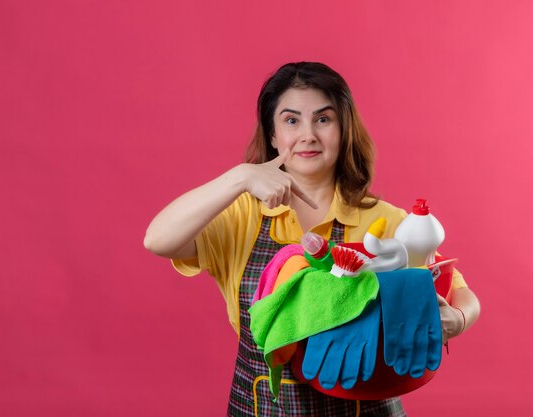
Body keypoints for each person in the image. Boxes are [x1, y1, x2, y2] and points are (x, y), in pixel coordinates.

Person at [144, 61, 480, 416]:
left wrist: (457, 319)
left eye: (323, 119)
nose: (308, 135)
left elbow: (460, 291)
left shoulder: (386, 220)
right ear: (273, 135)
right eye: (291, 120)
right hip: (263, 406)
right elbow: (157, 239)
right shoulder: (240, 217)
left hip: (367, 404)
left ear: (343, 128)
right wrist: (241, 177)